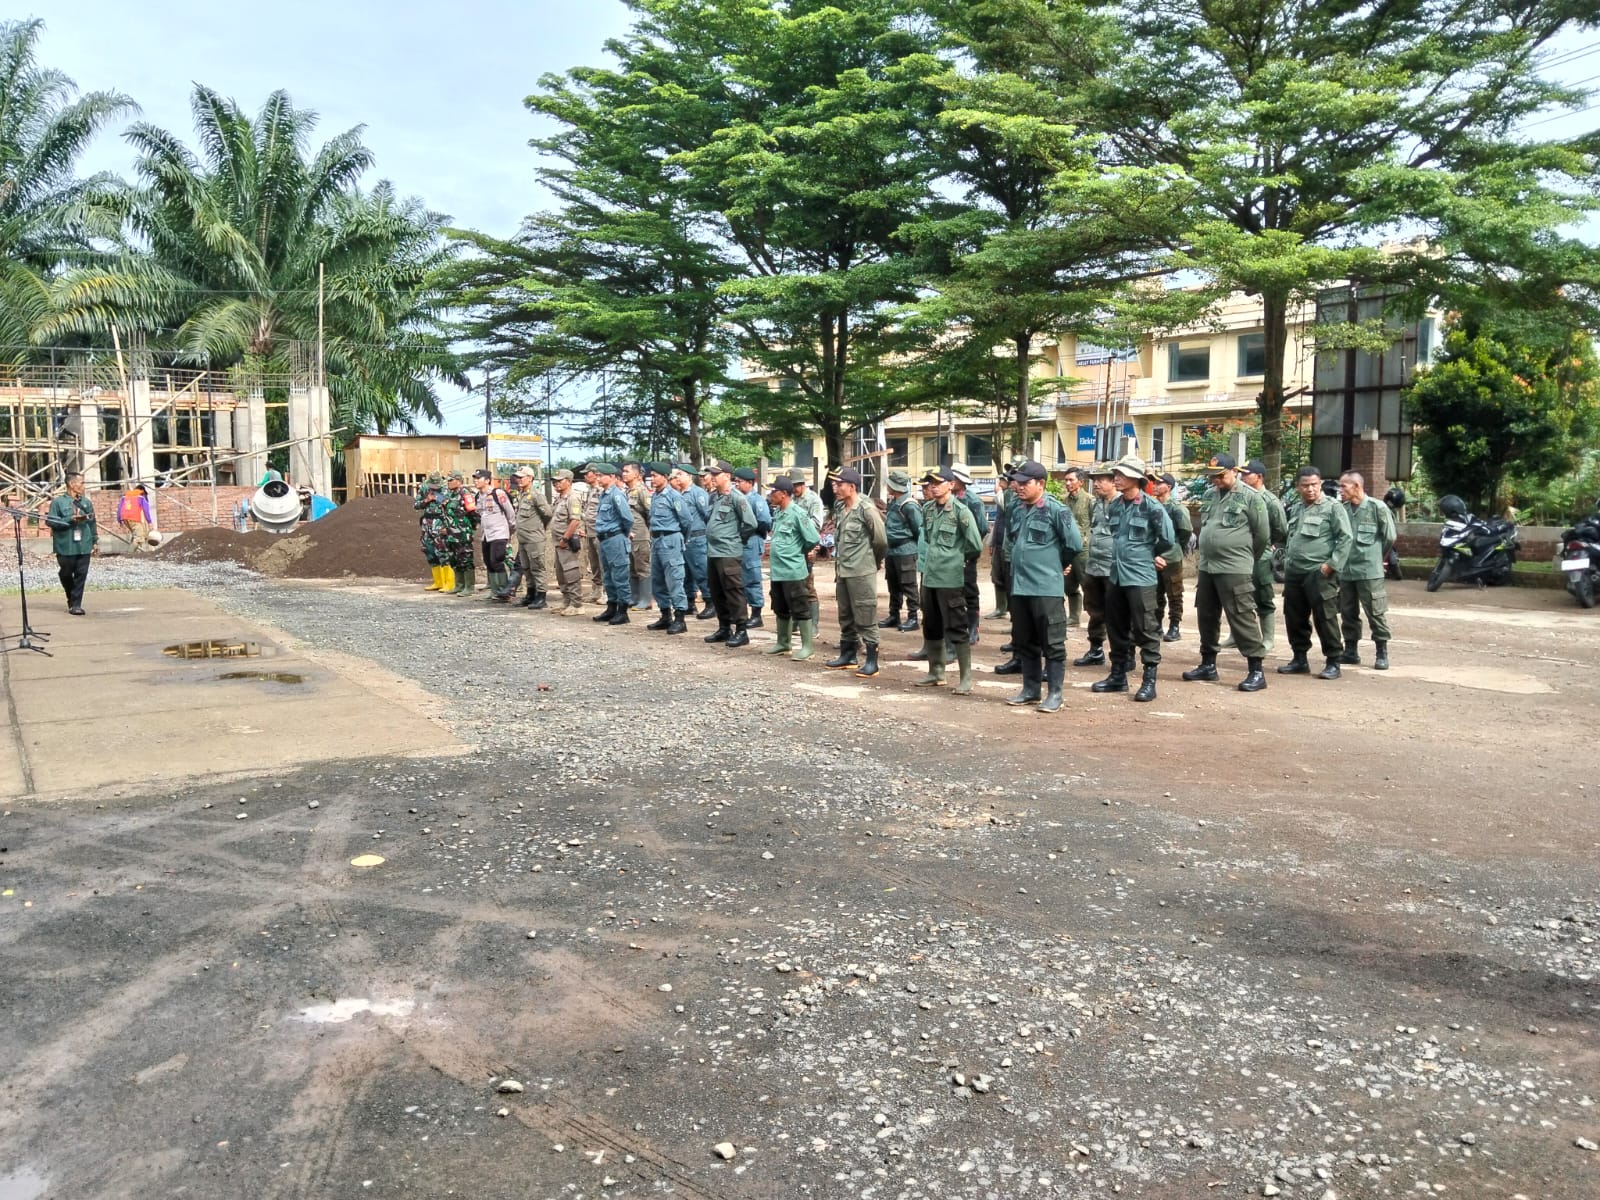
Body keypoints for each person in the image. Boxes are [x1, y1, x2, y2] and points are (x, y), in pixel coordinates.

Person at [1182, 454, 1271, 692]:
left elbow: (1262, 535)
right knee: (1207, 616)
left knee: (1242, 616)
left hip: (1235, 568)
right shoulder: (1210, 495)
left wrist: (1244, 557)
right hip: (1208, 566)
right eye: (1213, 476)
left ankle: (1256, 671)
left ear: (1235, 471)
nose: (1216, 480)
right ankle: (1208, 664)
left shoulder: (1250, 497)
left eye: (1220, 475)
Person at [1001, 461, 1082, 713]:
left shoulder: (1056, 510)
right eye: (1018, 482)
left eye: (1026, 483)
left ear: (1041, 484)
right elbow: (1014, 541)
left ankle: (1055, 694)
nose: (1020, 487)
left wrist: (1058, 564)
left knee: (1053, 643)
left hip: (1046, 587)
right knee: (1025, 641)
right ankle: (1030, 689)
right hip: (1021, 586)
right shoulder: (1018, 509)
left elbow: (1074, 544)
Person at [1096, 455, 1178, 703]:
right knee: (1116, 627)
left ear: (1136, 479)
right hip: (1117, 575)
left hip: (1141, 577)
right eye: (1116, 474)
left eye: (1121, 475)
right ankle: (1118, 676)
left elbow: (1167, 539)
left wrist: (1149, 555)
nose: (1116, 479)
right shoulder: (1117, 505)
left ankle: (1148, 681)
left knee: (1146, 628)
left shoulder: (1152, 508)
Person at [1278, 464, 1352, 679]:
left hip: (1318, 572)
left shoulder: (1333, 508)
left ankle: (1333, 661)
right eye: (1305, 485)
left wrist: (1332, 564)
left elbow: (1345, 538)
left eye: (1314, 485)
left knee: (1325, 617)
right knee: (1294, 616)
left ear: (1320, 484)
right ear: (1298, 487)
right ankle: (1299, 658)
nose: (1310, 489)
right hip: (1294, 572)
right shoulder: (1296, 508)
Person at [915, 466, 984, 693]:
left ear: (951, 484)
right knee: (931, 626)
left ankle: (966, 678)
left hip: (950, 578)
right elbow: (927, 537)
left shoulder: (961, 512)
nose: (933, 487)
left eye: (937, 482)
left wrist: (957, 559)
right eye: (930, 483)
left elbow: (974, 544)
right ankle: (936, 672)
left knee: (956, 627)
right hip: (930, 576)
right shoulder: (927, 510)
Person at [824, 466, 889, 676]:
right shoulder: (841, 508)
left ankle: (872, 661)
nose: (835, 488)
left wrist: (872, 562)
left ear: (851, 487)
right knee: (846, 615)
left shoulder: (866, 509)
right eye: (834, 484)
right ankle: (848, 655)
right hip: (843, 571)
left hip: (861, 571)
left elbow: (880, 541)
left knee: (865, 615)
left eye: (839, 484)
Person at [1337, 470, 1395, 670]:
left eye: (1343, 486)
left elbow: (1389, 537)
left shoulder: (1377, 508)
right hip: (1346, 571)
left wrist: (1375, 558)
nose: (1340, 490)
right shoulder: (1342, 509)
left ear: (1357, 486)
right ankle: (1351, 651)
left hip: (1369, 571)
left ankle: (1381, 651)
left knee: (1375, 612)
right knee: (1347, 612)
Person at [763, 476, 821, 660]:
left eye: (774, 491)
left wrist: (798, 552)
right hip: (778, 570)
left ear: (784, 494)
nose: (771, 494)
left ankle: (807, 647)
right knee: (780, 606)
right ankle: (783, 643)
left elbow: (812, 538)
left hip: (793, 570)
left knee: (799, 607)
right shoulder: (779, 513)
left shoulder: (797, 513)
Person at [703, 461, 757, 646]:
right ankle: (724, 628)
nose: (712, 477)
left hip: (728, 552)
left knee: (734, 591)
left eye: (716, 474)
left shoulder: (737, 497)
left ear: (726, 476)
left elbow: (750, 523)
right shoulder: (715, 497)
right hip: (714, 552)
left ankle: (742, 630)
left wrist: (737, 539)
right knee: (717, 592)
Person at [1237, 458, 1287, 653]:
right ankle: (1237, 635)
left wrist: (1266, 543)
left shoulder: (1270, 501)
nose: (1242, 477)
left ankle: (1267, 639)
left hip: (1261, 556)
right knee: (1239, 597)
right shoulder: (1240, 497)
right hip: (1240, 555)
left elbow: (1280, 529)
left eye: (1246, 474)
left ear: (1259, 477)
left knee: (1263, 597)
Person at [1072, 465, 1117, 668]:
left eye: (1101, 480)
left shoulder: (1123, 504)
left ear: (1114, 481)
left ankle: (1122, 654)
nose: (1096, 484)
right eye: (1095, 480)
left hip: (1114, 567)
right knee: (1094, 610)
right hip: (1094, 564)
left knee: (1118, 612)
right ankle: (1096, 650)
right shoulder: (1097, 503)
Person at [644, 464, 689, 634]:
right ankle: (665, 616)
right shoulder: (655, 496)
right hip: (656, 540)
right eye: (651, 476)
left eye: (655, 475)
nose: (652, 479)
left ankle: (680, 618)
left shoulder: (673, 496)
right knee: (657, 580)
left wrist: (681, 539)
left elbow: (686, 521)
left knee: (675, 579)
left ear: (664, 476)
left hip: (671, 539)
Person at [1148, 472, 1193, 641]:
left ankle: (1174, 626)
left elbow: (1185, 530)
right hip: (1154, 555)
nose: (1155, 485)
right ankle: (1157, 625)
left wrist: (1175, 548)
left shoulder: (1176, 507)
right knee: (1155, 592)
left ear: (1169, 487)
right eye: (1155, 482)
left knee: (1174, 593)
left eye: (1160, 483)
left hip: (1171, 557)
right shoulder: (1152, 505)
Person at [949, 463, 989, 644]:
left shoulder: (972, 501)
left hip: (966, 555)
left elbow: (981, 528)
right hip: (949, 555)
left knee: (970, 591)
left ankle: (974, 627)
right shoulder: (946, 498)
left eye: (954, 478)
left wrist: (969, 548)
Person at [46, 472, 97, 615]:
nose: (83, 486)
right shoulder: (58, 502)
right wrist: (70, 519)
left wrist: (95, 541)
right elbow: (51, 521)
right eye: (82, 483)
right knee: (66, 573)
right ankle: (71, 598)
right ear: (71, 484)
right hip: (65, 545)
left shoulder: (86, 502)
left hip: (84, 544)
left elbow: (92, 522)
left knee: (81, 574)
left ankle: (76, 604)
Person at [590, 463, 634, 624]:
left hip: (615, 538)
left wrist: (624, 532)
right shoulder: (604, 495)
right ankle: (611, 607)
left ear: (613, 477)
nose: (599, 478)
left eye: (602, 475)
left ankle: (623, 611)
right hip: (604, 539)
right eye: (598, 475)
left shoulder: (617, 495)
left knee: (620, 575)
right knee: (608, 576)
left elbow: (627, 518)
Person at [880, 468, 922, 632]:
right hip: (892, 551)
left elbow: (918, 530)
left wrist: (916, 550)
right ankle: (894, 614)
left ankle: (913, 617)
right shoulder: (893, 503)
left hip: (905, 550)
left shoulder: (909, 505)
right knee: (893, 585)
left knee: (909, 584)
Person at [507, 466, 553, 608]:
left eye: (522, 477)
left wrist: (538, 528)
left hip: (534, 538)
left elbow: (547, 514)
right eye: (518, 477)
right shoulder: (522, 495)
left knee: (537, 567)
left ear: (530, 478)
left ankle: (541, 597)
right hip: (523, 538)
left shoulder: (536, 495)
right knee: (526, 568)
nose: (518, 480)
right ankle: (530, 594)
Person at [674, 463, 714, 619]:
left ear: (689, 476)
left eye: (680, 474)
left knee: (701, 571)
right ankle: (690, 603)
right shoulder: (678, 494)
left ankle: (710, 602)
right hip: (684, 538)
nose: (677, 477)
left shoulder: (698, 493)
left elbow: (707, 515)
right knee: (686, 573)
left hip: (698, 537)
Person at [472, 469, 517, 602]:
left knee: (496, 560)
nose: (475, 480)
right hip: (486, 534)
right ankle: (494, 590)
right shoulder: (478, 496)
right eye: (474, 478)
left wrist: (510, 528)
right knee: (488, 562)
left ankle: (504, 591)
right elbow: (480, 513)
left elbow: (510, 512)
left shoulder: (498, 493)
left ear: (487, 480)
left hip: (499, 532)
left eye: (478, 478)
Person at [734, 467, 771, 628]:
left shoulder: (757, 500)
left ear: (750, 483)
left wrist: (755, 535)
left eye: (739, 481)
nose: (736, 484)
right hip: (739, 542)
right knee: (739, 578)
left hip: (751, 540)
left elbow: (764, 522)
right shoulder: (736, 498)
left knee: (752, 577)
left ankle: (756, 614)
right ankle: (743, 613)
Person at [549, 469, 586, 615]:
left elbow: (575, 520)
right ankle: (567, 601)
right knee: (561, 574)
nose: (556, 483)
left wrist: (565, 538)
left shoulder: (572, 498)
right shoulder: (559, 498)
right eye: (555, 481)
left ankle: (577, 604)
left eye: (560, 480)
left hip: (567, 543)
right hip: (558, 542)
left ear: (569, 481)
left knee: (571, 573)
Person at [1061, 468, 1092, 627]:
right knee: (1069, 585)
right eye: (1066, 480)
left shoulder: (1089, 500)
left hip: (1083, 551)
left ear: (1081, 481)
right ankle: (1074, 617)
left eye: (1071, 480)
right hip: (1067, 549)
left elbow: (1095, 525)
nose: (1067, 483)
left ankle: (1097, 617)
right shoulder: (1063, 501)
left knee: (1088, 584)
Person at [622, 462, 654, 612]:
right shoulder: (627, 491)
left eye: (627, 471)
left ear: (636, 474)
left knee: (643, 567)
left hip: (641, 535)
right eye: (623, 471)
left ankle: (646, 599)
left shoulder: (642, 491)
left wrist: (647, 532)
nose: (624, 474)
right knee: (632, 568)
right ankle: (634, 597)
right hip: (629, 536)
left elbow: (650, 513)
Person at [441, 472, 478, 594]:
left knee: (465, 558)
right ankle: (459, 585)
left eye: (451, 480)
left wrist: (469, 528)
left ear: (458, 481)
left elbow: (473, 513)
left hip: (462, 532)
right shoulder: (449, 495)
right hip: (451, 533)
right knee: (454, 559)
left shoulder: (465, 494)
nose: (448, 482)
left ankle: (469, 587)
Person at [414, 472, 451, 592]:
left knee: (443, 551)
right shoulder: (424, 487)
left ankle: (449, 583)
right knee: (429, 550)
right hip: (427, 522)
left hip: (441, 521)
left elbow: (450, 503)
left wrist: (437, 497)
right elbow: (416, 505)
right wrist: (426, 500)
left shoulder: (446, 488)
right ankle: (438, 582)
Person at [579, 463, 604, 604]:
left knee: (602, 563)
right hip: (590, 531)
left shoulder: (601, 491)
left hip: (599, 532)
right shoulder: (590, 491)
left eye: (587, 473)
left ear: (595, 474)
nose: (584, 476)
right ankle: (596, 590)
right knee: (594, 563)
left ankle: (606, 593)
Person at [118, 483, 154, 552]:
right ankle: (129, 553)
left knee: (136, 535)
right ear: (142, 491)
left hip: (125, 518)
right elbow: (146, 511)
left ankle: (137, 552)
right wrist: (150, 522)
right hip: (134, 518)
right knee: (139, 538)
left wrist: (119, 520)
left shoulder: (125, 497)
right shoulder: (141, 497)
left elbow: (120, 508)